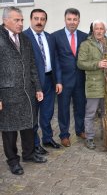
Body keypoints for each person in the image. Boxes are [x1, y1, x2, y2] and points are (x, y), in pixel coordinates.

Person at [0, 6, 47, 175]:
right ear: (5, 21)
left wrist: (38, 88)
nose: (21, 23)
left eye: (21, 20)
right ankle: (13, 161)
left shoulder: (25, 39)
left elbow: (32, 65)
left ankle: (29, 154)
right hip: (7, 94)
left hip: (27, 92)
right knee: (10, 130)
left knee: (28, 125)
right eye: (16, 20)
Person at [24, 9, 63, 155]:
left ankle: (47, 138)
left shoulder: (50, 37)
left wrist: (58, 80)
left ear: (46, 21)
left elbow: (56, 60)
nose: (39, 22)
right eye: (36, 18)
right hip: (33, 83)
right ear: (31, 20)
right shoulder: (24, 37)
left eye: (42, 19)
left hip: (49, 80)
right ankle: (35, 144)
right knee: (33, 115)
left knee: (47, 113)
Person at [77, 20, 107, 149]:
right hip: (94, 85)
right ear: (93, 30)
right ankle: (89, 138)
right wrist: (97, 64)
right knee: (90, 113)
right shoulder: (86, 45)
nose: (99, 31)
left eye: (102, 28)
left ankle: (106, 134)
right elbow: (80, 63)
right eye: (97, 29)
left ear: (105, 31)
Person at [52, 8, 88, 147]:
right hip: (64, 81)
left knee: (80, 107)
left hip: (80, 79)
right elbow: (55, 60)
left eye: (75, 19)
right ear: (65, 20)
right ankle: (64, 135)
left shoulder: (84, 36)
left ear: (79, 20)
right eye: (69, 19)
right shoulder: (55, 36)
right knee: (63, 108)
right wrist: (58, 80)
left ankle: (80, 130)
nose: (72, 22)